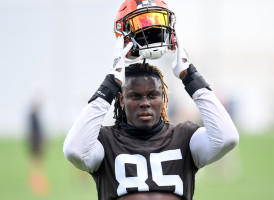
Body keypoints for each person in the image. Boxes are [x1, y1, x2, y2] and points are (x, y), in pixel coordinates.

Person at [64, 0, 239, 199]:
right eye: (135, 96)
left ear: (163, 98)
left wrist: (189, 75)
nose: (145, 102)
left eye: (153, 95)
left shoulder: (184, 137)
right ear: (121, 99)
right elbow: (74, 151)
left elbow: (227, 138)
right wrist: (111, 82)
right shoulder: (106, 141)